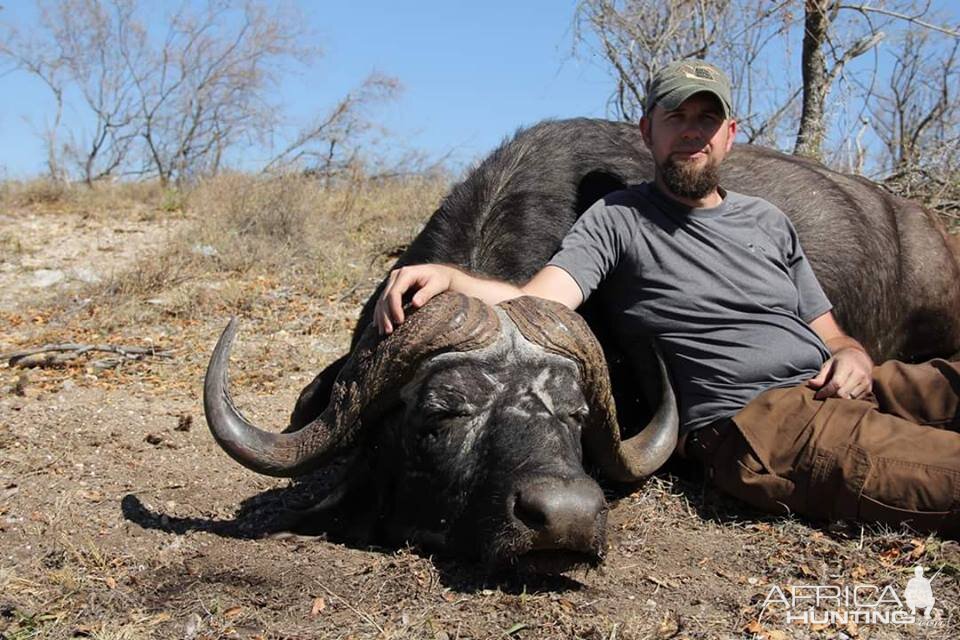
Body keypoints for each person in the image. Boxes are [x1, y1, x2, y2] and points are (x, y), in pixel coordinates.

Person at [374, 60, 960, 536]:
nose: (692, 131)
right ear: (645, 131)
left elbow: (830, 331)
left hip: (844, 383)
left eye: (707, 119)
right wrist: (455, 280)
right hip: (765, 420)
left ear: (729, 135)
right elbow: (538, 301)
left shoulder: (769, 220)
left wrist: (852, 355)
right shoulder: (617, 221)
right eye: (675, 116)